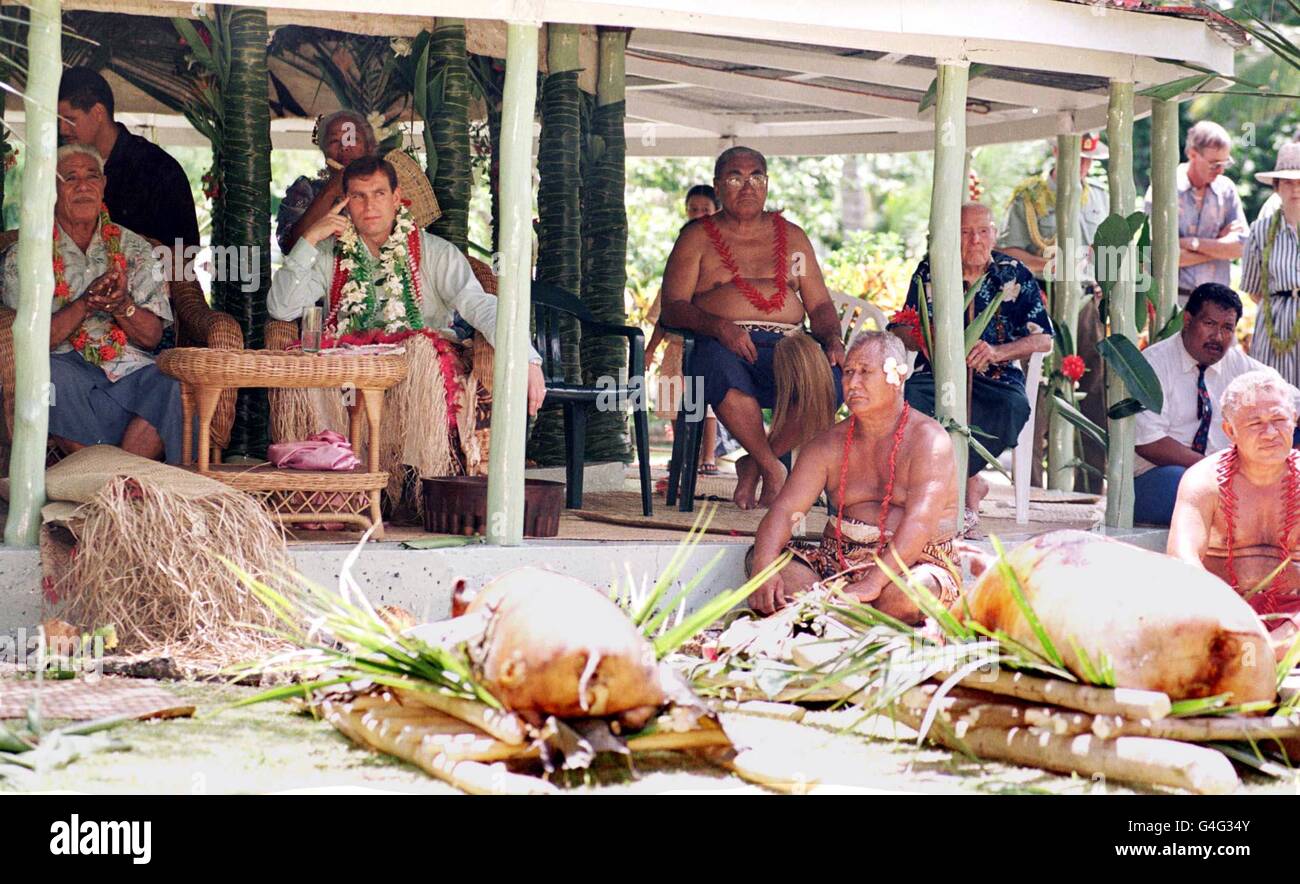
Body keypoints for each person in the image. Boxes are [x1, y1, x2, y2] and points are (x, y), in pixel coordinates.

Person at [268, 155, 546, 488]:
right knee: (313, 359)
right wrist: (310, 240)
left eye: (379, 194)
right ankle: (333, 483)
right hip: (349, 369)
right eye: (358, 196)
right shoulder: (330, 254)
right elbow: (282, 308)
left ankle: (418, 482)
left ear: (397, 198)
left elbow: (480, 305)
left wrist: (526, 357)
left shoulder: (436, 252)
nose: (369, 205)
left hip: (419, 369)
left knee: (418, 347)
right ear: (345, 203)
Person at [660, 146, 844, 509]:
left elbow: (820, 304)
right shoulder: (697, 237)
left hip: (789, 345)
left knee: (833, 381)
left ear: (767, 183)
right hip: (722, 343)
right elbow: (673, 308)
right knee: (718, 369)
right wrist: (719, 327)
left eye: (756, 177)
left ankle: (757, 462)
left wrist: (833, 339)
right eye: (735, 177)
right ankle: (773, 468)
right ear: (717, 186)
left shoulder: (792, 238)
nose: (748, 187)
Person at [746, 332, 962, 619]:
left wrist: (872, 583)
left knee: (908, 596)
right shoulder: (827, 444)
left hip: (916, 562)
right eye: (848, 372)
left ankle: (831, 613)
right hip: (837, 562)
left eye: (865, 372)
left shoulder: (929, 441)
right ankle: (839, 612)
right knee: (763, 563)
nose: (852, 383)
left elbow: (920, 524)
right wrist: (763, 567)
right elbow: (786, 511)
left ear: (898, 377)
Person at [3, 145, 183, 462]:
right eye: (69, 177)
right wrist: (85, 304)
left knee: (170, 380)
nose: (83, 185)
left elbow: (152, 337)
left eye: (92, 176)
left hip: (128, 370)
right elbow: (30, 341)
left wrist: (122, 305)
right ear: (51, 187)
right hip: (62, 369)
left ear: (103, 185)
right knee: (45, 378)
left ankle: (106, 483)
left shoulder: (136, 249)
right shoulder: (25, 254)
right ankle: (115, 483)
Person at [892, 202, 1054, 516]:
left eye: (982, 231)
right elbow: (900, 329)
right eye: (965, 232)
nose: (975, 240)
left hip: (997, 380)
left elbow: (1044, 338)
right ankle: (968, 482)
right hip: (937, 379)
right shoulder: (931, 271)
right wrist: (927, 335)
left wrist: (997, 352)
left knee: (1013, 407)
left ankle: (957, 480)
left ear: (994, 235)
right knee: (910, 399)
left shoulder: (1014, 274)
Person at [1133, 283, 1299, 526]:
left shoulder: (1237, 363)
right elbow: (1149, 442)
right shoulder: (1153, 364)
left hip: (1227, 475)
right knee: (1192, 486)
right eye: (1209, 324)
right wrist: (1217, 469)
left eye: (1227, 328)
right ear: (1188, 320)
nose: (1218, 337)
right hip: (1158, 476)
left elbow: (1291, 399)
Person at [999, 133, 1110, 493]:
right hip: (1041, 303)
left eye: (1088, 160)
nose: (1082, 166)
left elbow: (1110, 255)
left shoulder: (1100, 197)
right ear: (1056, 151)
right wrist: (1049, 267)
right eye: (1077, 157)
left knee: (1094, 395)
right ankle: (1030, 489)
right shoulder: (1029, 198)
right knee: (1039, 392)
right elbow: (1009, 251)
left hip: (1087, 303)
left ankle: (1089, 489)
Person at [1168, 370, 1300, 649]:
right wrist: (1227, 616)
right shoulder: (1204, 480)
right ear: (1230, 431)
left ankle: (1267, 652)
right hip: (1221, 616)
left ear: (1294, 421)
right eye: (1255, 423)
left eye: (1279, 420)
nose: (1270, 433)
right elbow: (1182, 559)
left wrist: (1283, 636)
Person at [57, 67, 200, 263]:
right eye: (58, 121)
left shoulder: (157, 169)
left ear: (98, 113)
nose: (62, 129)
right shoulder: (55, 165)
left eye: (69, 120)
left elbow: (185, 253)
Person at [646, 184, 721, 476]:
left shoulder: (720, 264)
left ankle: (709, 456)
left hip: (706, 347)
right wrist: (651, 348)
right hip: (675, 349)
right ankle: (682, 453)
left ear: (717, 212)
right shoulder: (676, 268)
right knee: (673, 401)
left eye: (706, 210)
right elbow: (664, 313)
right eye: (694, 209)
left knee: (708, 405)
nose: (699, 214)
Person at [1143, 121, 1248, 307]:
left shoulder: (1227, 189)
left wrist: (1192, 243)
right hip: (1174, 303)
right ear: (1193, 154)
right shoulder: (1164, 190)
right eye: (1214, 164)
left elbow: (1241, 247)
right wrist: (1219, 248)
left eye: (1225, 163)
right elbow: (1162, 256)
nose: (1221, 170)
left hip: (1219, 305)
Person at [276, 110, 378, 255]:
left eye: (352, 139)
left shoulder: (386, 191)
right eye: (334, 141)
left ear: (369, 147)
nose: (344, 147)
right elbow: (290, 248)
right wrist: (330, 191)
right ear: (324, 150)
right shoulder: (305, 191)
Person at [1243, 142, 1300, 389]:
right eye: (1287, 182)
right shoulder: (1261, 230)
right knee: (1275, 397)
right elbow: (1254, 290)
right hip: (1275, 327)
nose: (1295, 189)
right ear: (1276, 187)